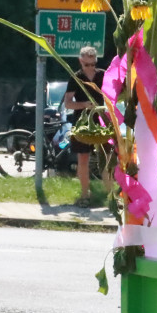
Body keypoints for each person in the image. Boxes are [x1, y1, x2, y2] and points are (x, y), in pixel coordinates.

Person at [63, 46, 107, 206]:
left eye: (93, 64)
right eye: (87, 64)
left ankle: (110, 196)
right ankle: (84, 195)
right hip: (82, 122)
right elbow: (68, 104)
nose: (90, 68)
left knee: (105, 159)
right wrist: (84, 104)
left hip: (101, 121)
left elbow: (113, 94)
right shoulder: (76, 77)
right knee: (83, 158)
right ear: (81, 61)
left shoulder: (103, 75)